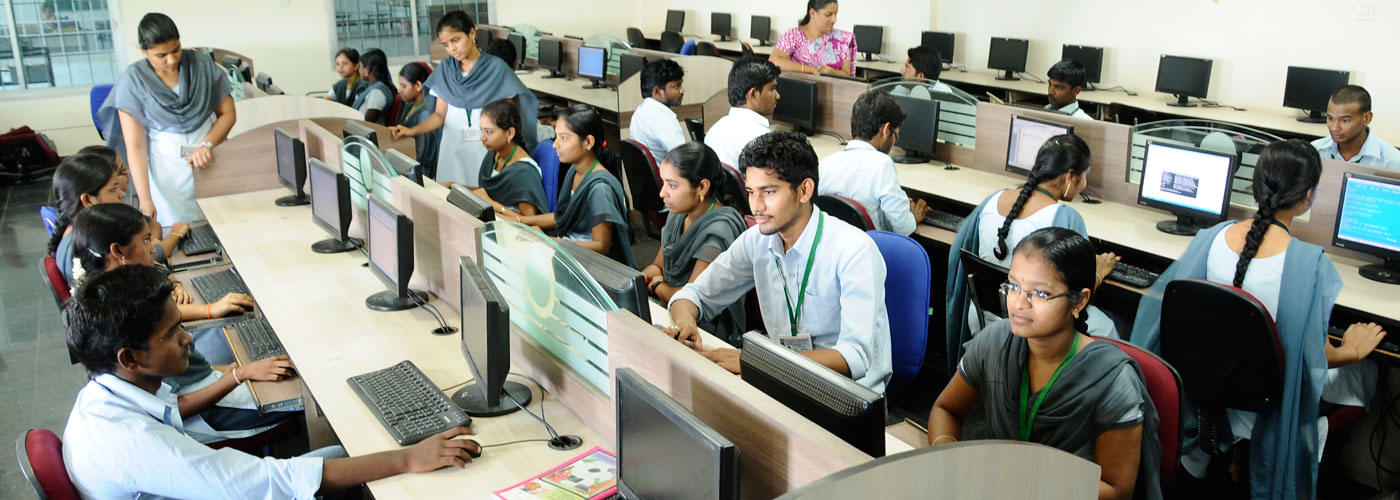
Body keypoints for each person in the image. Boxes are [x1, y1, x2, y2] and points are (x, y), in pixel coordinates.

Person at [62, 265, 481, 499]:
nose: (188, 336)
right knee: (372, 478)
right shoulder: (137, 443)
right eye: (172, 334)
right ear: (130, 357)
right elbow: (268, 483)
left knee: (342, 454)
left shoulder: (108, 392)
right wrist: (407, 459)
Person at [1131, 140, 1387, 496]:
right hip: (1265, 403)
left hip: (1208, 389)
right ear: (1308, 197)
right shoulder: (1307, 264)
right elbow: (1313, 355)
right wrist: (1353, 351)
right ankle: (1313, 441)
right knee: (1368, 372)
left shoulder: (1211, 238)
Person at [928, 227, 1161, 500]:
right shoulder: (995, 341)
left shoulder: (1112, 380)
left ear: (1080, 300)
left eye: (1039, 294)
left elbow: (1115, 490)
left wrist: (1026, 482)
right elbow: (946, 410)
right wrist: (946, 454)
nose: (1018, 303)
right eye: (1013, 286)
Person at [666, 131, 892, 393]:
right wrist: (685, 324)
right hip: (780, 377)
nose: (756, 206)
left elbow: (854, 357)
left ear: (804, 190)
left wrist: (757, 361)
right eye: (751, 192)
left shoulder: (853, 250)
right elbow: (693, 295)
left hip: (845, 394)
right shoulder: (757, 240)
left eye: (768, 192)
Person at [69, 203, 299, 443]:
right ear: (118, 251)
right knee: (306, 393)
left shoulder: (107, 293)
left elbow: (190, 371)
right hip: (207, 412)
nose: (153, 249)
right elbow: (172, 407)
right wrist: (240, 374)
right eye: (146, 241)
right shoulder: (119, 315)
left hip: (208, 384)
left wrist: (231, 369)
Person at [946, 134, 1121, 375]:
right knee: (1113, 324)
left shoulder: (992, 200)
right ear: (1069, 177)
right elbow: (1076, 294)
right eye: (1084, 176)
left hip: (983, 321)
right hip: (1031, 326)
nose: (1084, 184)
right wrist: (1098, 273)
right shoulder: (1064, 217)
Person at [99, 12, 236, 227]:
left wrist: (207, 144)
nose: (171, 60)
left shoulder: (200, 65)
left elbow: (228, 114)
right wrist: (145, 200)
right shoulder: (133, 81)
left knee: (224, 223)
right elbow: (135, 147)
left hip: (211, 155)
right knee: (177, 230)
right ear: (144, 51)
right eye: (161, 55)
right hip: (167, 169)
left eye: (176, 50)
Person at [389, 11, 539, 187]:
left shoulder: (496, 69)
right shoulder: (446, 70)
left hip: (484, 148)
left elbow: (509, 119)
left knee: (483, 199)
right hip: (452, 147)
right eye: (446, 44)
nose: (452, 49)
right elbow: (439, 116)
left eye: (455, 40)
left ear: (472, 33)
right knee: (451, 198)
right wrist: (412, 131)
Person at [641, 142, 748, 343]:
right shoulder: (678, 215)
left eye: (672, 185)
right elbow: (657, 266)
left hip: (707, 327)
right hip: (671, 308)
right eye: (663, 182)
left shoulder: (719, 230)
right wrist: (643, 280)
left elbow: (693, 295)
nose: (662, 193)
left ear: (702, 187)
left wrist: (657, 287)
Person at [509, 104, 635, 266]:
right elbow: (561, 217)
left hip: (591, 268)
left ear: (588, 142)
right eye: (556, 137)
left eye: (564, 138)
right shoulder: (574, 172)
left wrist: (548, 241)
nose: (555, 144)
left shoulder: (600, 189)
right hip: (569, 253)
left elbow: (601, 246)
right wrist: (520, 221)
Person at [818, 90, 928, 235]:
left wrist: (899, 202)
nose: (894, 142)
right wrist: (912, 217)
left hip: (834, 250)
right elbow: (903, 228)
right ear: (886, 130)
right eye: (895, 135)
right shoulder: (882, 164)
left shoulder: (826, 163)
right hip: (869, 251)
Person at [474, 99, 548, 216]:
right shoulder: (494, 154)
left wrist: (492, 205)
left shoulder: (524, 173)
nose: (482, 138)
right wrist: (453, 185)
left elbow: (529, 221)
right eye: (481, 131)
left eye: (488, 132)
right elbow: (484, 193)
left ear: (509, 133)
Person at [705, 58, 781, 168]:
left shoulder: (713, 131)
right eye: (772, 89)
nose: (778, 96)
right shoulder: (762, 140)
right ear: (754, 94)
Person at [1310, 85, 1400, 170]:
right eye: (1330, 118)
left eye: (1345, 120)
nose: (1334, 128)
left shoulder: (1392, 161)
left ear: (1367, 118)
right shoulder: (1315, 151)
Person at [769, 0, 857, 77]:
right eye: (828, 14)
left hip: (835, 93)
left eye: (835, 14)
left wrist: (832, 71)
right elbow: (774, 61)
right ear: (812, 13)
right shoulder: (794, 35)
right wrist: (809, 69)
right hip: (801, 91)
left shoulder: (842, 39)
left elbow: (847, 74)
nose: (834, 19)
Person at [629, 59, 688, 158]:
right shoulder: (665, 120)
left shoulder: (640, 111)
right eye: (677, 86)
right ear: (657, 92)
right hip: (667, 172)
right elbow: (684, 161)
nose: (682, 90)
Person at [396, 61, 441, 178]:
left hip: (422, 173)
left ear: (418, 86)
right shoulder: (409, 105)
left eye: (404, 86)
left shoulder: (425, 113)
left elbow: (421, 154)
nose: (400, 90)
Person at [353, 48, 396, 125]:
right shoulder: (373, 87)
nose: (358, 70)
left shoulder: (377, 92)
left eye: (360, 66)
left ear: (367, 69)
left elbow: (367, 124)